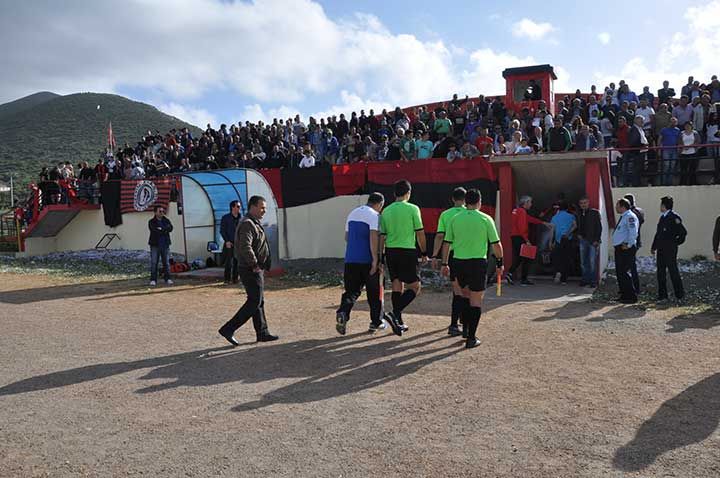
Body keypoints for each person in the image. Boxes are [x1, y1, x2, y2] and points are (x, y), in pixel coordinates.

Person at [440, 188, 503, 349]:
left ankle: (466, 329)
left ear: (465, 201)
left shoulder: (454, 219)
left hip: (458, 262)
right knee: (475, 300)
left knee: (464, 296)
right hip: (477, 263)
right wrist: (499, 263)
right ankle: (471, 337)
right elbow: (496, 244)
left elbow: (446, 243)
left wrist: (444, 263)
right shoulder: (486, 219)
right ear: (479, 202)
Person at [218, 195, 278, 345]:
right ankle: (228, 328)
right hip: (250, 269)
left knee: (258, 301)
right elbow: (245, 246)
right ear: (253, 207)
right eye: (262, 207)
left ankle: (262, 333)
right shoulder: (247, 224)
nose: (264, 211)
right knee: (254, 301)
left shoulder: (252, 222)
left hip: (253, 268)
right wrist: (255, 264)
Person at [379, 180, 428, 336]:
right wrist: (424, 252)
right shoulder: (413, 208)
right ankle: (394, 313)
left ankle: (398, 321)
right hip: (407, 251)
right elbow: (420, 232)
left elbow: (382, 236)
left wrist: (380, 256)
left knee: (396, 284)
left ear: (394, 193)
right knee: (415, 287)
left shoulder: (386, 211)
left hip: (390, 251)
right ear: (408, 193)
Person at [335, 193, 387, 335]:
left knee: (351, 291)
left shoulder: (352, 213)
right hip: (367, 260)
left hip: (350, 259)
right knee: (374, 293)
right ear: (380, 204)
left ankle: (343, 312)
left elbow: (347, 237)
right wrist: (375, 259)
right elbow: (373, 237)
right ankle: (376, 322)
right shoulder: (375, 216)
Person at [431, 187, 467, 337]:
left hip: (452, 255)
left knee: (457, 289)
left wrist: (435, 256)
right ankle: (463, 321)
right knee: (467, 290)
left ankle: (455, 323)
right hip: (469, 254)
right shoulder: (470, 214)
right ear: (465, 199)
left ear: (452, 199)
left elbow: (440, 236)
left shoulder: (445, 215)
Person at [651, 196, 687, 302]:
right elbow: (658, 234)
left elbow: (683, 232)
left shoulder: (674, 217)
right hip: (661, 249)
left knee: (673, 271)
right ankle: (662, 295)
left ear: (664, 206)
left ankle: (679, 295)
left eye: (661, 205)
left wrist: (675, 243)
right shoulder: (663, 217)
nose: (660, 207)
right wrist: (654, 246)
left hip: (670, 249)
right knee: (660, 272)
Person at [507, 195, 546, 286]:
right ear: (526, 203)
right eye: (530, 202)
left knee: (519, 257)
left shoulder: (517, 210)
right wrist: (526, 240)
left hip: (514, 236)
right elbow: (522, 227)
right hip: (520, 236)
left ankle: (510, 274)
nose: (531, 204)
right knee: (527, 257)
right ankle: (522, 279)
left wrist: (543, 222)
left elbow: (529, 219)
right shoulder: (522, 211)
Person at [613, 198, 639, 304]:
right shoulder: (624, 216)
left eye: (617, 205)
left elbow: (633, 232)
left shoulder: (629, 216)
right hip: (620, 248)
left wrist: (628, 245)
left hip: (625, 248)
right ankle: (624, 295)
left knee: (624, 272)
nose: (616, 207)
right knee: (620, 272)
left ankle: (631, 296)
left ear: (623, 207)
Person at [576, 196, 602, 288]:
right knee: (583, 262)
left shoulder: (594, 213)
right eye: (581, 203)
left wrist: (597, 240)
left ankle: (593, 281)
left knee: (592, 262)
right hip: (583, 240)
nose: (583, 205)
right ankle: (585, 280)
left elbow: (599, 227)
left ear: (588, 203)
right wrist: (578, 234)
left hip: (592, 241)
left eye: (585, 203)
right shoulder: (579, 213)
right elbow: (578, 225)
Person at [550, 201, 576, 285]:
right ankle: (564, 279)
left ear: (559, 208)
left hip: (558, 240)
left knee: (558, 258)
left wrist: (550, 242)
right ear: (567, 208)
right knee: (566, 259)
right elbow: (575, 226)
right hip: (567, 239)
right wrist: (568, 233)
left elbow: (552, 230)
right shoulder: (571, 216)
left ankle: (558, 272)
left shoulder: (554, 217)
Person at [148, 205, 174, 286]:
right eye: (160, 211)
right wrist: (164, 229)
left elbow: (171, 228)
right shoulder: (151, 221)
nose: (162, 213)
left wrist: (161, 229)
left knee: (166, 262)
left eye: (163, 211)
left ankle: (168, 278)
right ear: (155, 212)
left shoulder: (166, 220)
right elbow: (154, 230)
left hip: (165, 244)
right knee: (154, 262)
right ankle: (153, 279)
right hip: (155, 245)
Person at [623, 193, 644, 294]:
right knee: (630, 266)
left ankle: (634, 288)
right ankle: (632, 287)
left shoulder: (631, 213)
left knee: (629, 266)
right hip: (636, 241)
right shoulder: (639, 211)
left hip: (631, 242)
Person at [220, 200, 242, 284]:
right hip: (229, 243)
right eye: (238, 206)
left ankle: (235, 279)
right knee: (229, 262)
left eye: (239, 206)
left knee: (237, 261)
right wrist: (227, 241)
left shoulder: (241, 218)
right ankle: (227, 279)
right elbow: (222, 230)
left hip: (238, 243)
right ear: (232, 207)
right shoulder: (226, 218)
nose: (239, 208)